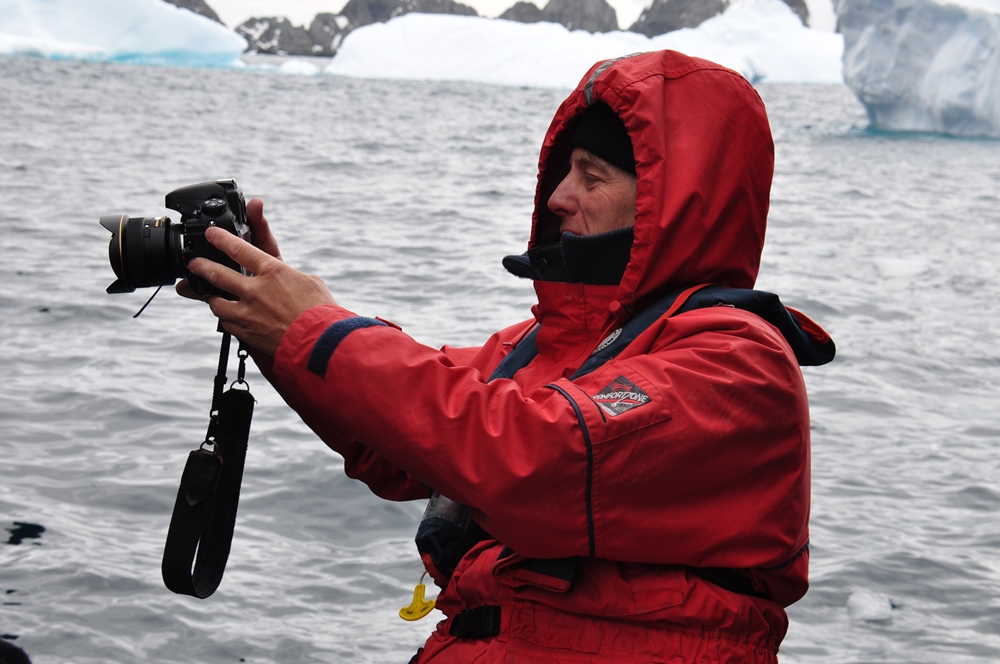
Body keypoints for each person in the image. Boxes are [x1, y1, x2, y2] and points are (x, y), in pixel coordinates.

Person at [180, 49, 835, 663]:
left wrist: (316, 330)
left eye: (593, 176)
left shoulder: (735, 365)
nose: (558, 198)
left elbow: (528, 460)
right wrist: (267, 316)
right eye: (564, 172)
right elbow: (398, 437)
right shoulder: (544, 349)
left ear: (670, 206)